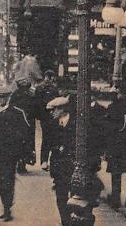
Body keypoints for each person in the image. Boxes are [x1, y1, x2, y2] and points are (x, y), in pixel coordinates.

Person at [0, 84, 30, 222]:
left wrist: (21, 154)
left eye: (4, 98)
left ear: (9, 98)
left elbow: (25, 133)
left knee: (8, 180)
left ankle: (7, 208)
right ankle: (5, 205)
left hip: (10, 155)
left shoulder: (17, 113)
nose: (1, 100)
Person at [46, 95, 75, 226]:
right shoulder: (52, 124)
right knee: (61, 198)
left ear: (62, 109)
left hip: (73, 167)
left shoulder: (75, 123)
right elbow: (47, 143)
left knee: (74, 198)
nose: (51, 113)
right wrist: (44, 160)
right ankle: (65, 221)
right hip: (58, 168)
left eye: (54, 110)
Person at [10, 77, 38, 174]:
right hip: (28, 123)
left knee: (19, 142)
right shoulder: (30, 95)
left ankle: (19, 162)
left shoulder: (15, 95)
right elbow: (34, 109)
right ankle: (23, 163)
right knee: (27, 142)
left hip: (19, 123)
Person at [34, 70, 60, 170]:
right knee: (51, 138)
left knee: (46, 138)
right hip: (50, 116)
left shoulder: (39, 88)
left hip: (45, 117)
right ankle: (48, 161)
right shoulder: (52, 88)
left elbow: (36, 103)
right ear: (49, 77)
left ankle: (44, 161)